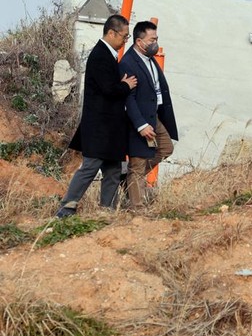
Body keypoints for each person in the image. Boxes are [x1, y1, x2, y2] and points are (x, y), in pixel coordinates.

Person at [56, 15, 138, 218]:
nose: (125, 41)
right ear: (111, 33)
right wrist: (125, 86)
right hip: (100, 127)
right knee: (90, 167)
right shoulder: (100, 55)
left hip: (109, 128)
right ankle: (67, 207)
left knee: (112, 170)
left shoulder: (108, 55)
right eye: (124, 36)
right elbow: (108, 89)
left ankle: (107, 211)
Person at [118, 20, 178, 210]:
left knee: (166, 147)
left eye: (156, 39)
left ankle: (129, 180)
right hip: (140, 121)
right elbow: (129, 99)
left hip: (154, 116)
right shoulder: (128, 63)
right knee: (137, 163)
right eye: (152, 39)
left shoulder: (150, 60)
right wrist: (141, 125)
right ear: (139, 41)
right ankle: (138, 207)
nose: (155, 43)